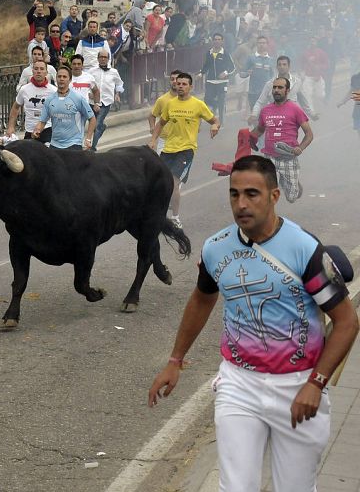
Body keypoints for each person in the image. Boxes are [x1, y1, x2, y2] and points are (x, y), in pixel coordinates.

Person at [148, 155, 358, 492]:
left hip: (298, 386)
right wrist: (175, 361)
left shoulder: (305, 249)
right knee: (235, 487)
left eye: (252, 194)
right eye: (234, 194)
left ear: (274, 196)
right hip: (239, 386)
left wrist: (316, 384)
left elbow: (347, 322)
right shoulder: (217, 248)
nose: (241, 204)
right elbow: (203, 297)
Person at [149, 72, 220, 228]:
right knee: (161, 183)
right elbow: (161, 123)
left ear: (190, 87)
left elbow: (214, 120)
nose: (180, 86)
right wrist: (153, 140)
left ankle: (175, 218)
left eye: (184, 84)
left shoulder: (198, 104)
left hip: (186, 150)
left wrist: (215, 126)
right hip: (168, 149)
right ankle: (160, 215)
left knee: (174, 182)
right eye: (178, 83)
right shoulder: (170, 103)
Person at [249, 77, 313, 203]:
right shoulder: (265, 110)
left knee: (292, 198)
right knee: (266, 193)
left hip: (288, 157)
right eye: (274, 87)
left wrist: (300, 148)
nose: (276, 90)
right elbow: (260, 129)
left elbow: (309, 134)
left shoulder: (295, 109)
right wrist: (249, 138)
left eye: (280, 87)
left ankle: (289, 180)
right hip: (269, 157)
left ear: (287, 90)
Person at [32, 66, 96, 150]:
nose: (61, 79)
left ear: (70, 80)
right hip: (55, 144)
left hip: (74, 144)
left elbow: (92, 119)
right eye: (59, 76)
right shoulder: (50, 100)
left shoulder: (78, 98)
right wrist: (37, 130)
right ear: (56, 79)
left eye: (64, 77)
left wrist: (88, 139)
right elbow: (42, 121)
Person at [250, 55, 315, 124]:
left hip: (291, 118)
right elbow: (260, 102)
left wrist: (311, 114)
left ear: (289, 66)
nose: (282, 67)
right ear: (276, 67)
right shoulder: (270, 84)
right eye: (279, 65)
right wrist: (254, 114)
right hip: (275, 118)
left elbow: (303, 101)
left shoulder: (297, 82)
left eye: (284, 64)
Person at [6, 59, 57, 143]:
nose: (38, 71)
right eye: (36, 69)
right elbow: (15, 107)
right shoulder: (24, 89)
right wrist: (11, 127)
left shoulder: (53, 90)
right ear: (32, 71)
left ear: (46, 72)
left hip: (48, 130)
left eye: (41, 69)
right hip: (29, 131)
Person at [88, 49, 123, 151]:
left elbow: (119, 83)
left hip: (106, 101)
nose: (103, 59)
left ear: (108, 59)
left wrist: (117, 94)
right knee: (93, 124)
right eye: (101, 57)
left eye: (105, 57)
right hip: (93, 102)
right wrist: (88, 93)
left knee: (97, 124)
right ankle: (102, 127)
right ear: (98, 58)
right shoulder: (91, 71)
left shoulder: (114, 72)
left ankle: (92, 147)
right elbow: (86, 84)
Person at [199, 33, 235, 122]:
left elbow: (232, 67)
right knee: (207, 99)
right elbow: (206, 65)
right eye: (215, 39)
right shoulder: (209, 53)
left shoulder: (225, 53)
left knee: (221, 101)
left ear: (222, 41)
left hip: (222, 82)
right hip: (210, 81)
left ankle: (221, 121)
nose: (217, 41)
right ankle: (215, 106)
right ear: (213, 41)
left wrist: (225, 73)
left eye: (219, 39)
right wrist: (201, 73)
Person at [148, 70, 182, 154]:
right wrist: (152, 128)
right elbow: (152, 115)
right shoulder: (162, 100)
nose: (174, 81)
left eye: (177, 79)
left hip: (182, 142)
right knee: (163, 166)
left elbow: (198, 114)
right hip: (165, 141)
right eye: (172, 79)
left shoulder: (189, 100)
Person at [244, 35, 274, 114]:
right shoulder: (251, 58)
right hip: (253, 92)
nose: (262, 44)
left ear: (267, 44)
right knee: (255, 116)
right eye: (260, 43)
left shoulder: (271, 60)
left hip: (266, 93)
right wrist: (247, 73)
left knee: (265, 116)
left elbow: (273, 76)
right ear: (256, 44)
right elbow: (242, 73)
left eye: (264, 43)